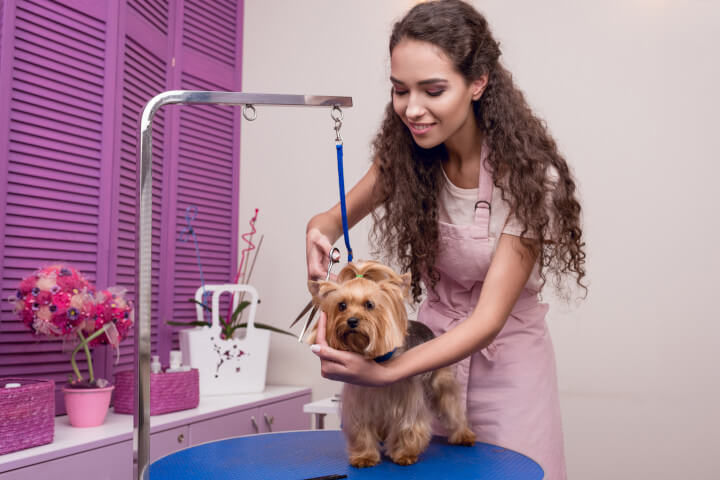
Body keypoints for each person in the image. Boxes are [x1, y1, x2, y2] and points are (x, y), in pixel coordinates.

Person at [305, 1, 586, 478]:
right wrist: (318, 237)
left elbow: (488, 320)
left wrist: (390, 369)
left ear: (478, 83)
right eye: (400, 90)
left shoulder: (531, 177)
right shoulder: (408, 158)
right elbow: (328, 221)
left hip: (506, 369)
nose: (412, 109)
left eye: (433, 90)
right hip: (426, 359)